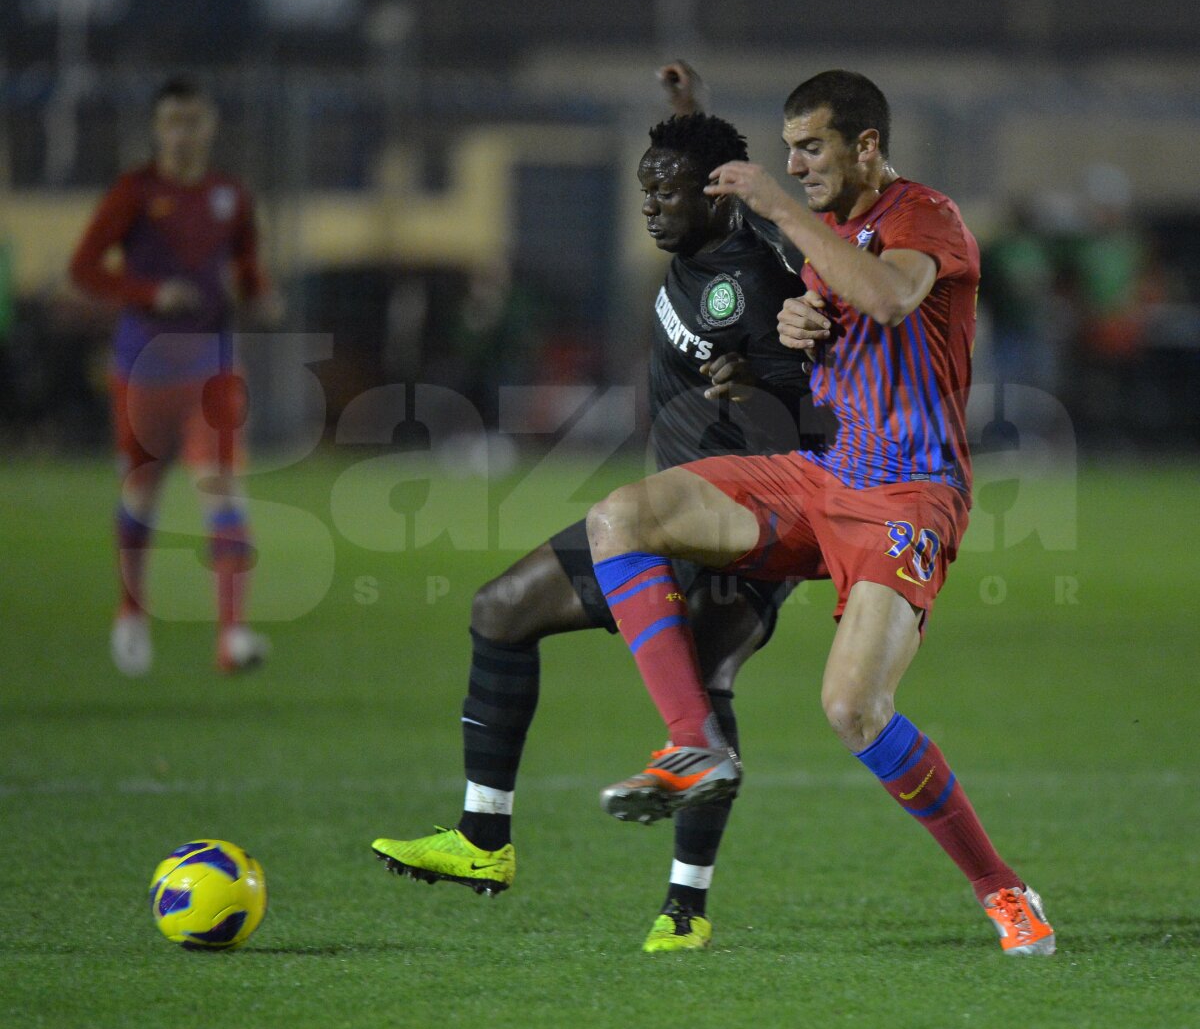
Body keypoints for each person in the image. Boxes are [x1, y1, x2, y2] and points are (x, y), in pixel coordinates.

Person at [585, 69, 1056, 956]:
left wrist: (786, 217)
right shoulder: (827, 235)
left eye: (810, 147)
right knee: (622, 517)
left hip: (908, 499)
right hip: (823, 478)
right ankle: (695, 745)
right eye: (789, 149)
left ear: (866, 146)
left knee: (853, 708)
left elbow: (889, 295)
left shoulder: (928, 217)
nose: (795, 165)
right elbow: (844, 306)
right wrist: (805, 322)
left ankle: (1003, 891)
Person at [371, 109, 819, 952]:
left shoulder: (760, 279)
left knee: (705, 676)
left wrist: (764, 385)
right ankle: (481, 841)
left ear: (717, 197)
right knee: (500, 609)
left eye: (669, 190)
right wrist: (696, 102)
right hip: (660, 517)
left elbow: (827, 426)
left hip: (744, 522)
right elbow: (723, 170)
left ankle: (685, 910)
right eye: (645, 188)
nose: (651, 205)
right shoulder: (700, 253)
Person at [70, 76, 279, 676]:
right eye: (172, 122)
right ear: (158, 129)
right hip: (142, 366)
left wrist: (260, 294)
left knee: (221, 487)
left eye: (193, 121)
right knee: (143, 490)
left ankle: (232, 638)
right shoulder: (134, 193)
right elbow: (85, 270)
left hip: (211, 364)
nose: (183, 133)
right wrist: (148, 292)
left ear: (210, 125)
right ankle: (132, 611)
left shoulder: (229, 195)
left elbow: (246, 263)